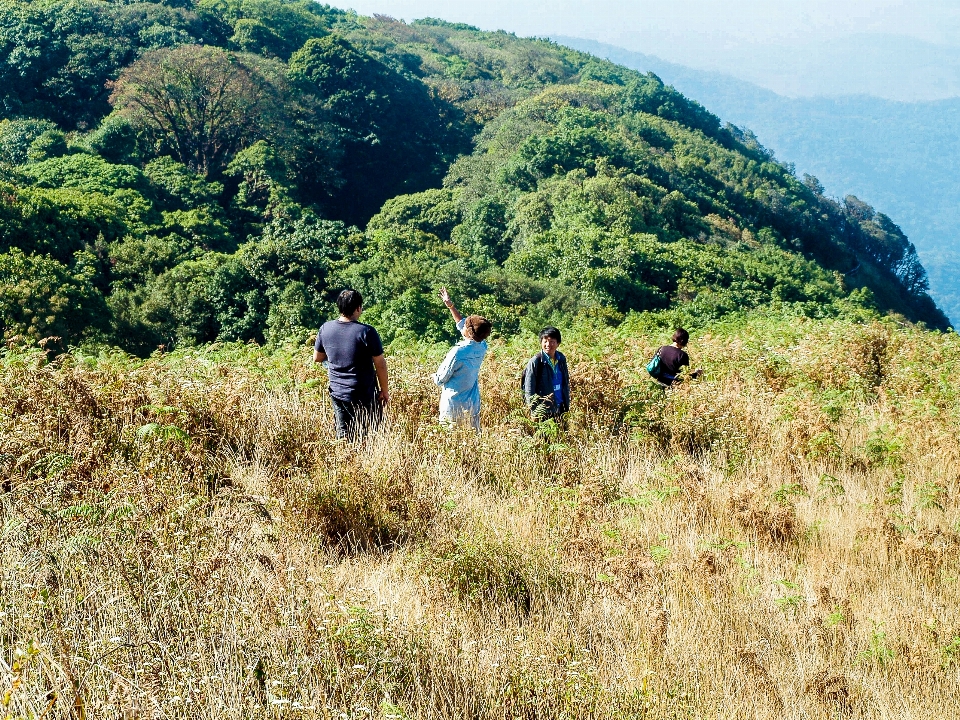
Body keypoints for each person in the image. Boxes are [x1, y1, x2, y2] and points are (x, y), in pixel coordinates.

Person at [313, 289, 389, 441]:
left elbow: (317, 358)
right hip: (364, 392)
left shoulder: (325, 329)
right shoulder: (367, 332)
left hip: (338, 391)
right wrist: (384, 391)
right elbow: (380, 364)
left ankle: (345, 460)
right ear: (358, 308)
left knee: (344, 435)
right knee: (371, 433)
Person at [433, 287, 492, 430]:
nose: (463, 324)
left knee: (451, 442)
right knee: (472, 440)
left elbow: (440, 379)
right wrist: (450, 305)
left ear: (469, 332)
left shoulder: (458, 352)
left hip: (453, 405)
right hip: (472, 404)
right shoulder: (482, 345)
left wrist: (433, 376)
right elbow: (463, 326)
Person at [523, 326, 570, 421]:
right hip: (543, 411)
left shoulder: (561, 359)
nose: (548, 344)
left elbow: (565, 382)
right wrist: (534, 410)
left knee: (562, 435)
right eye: (545, 341)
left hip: (561, 407)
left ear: (558, 343)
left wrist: (567, 403)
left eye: (552, 341)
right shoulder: (536, 362)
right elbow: (529, 388)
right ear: (541, 343)